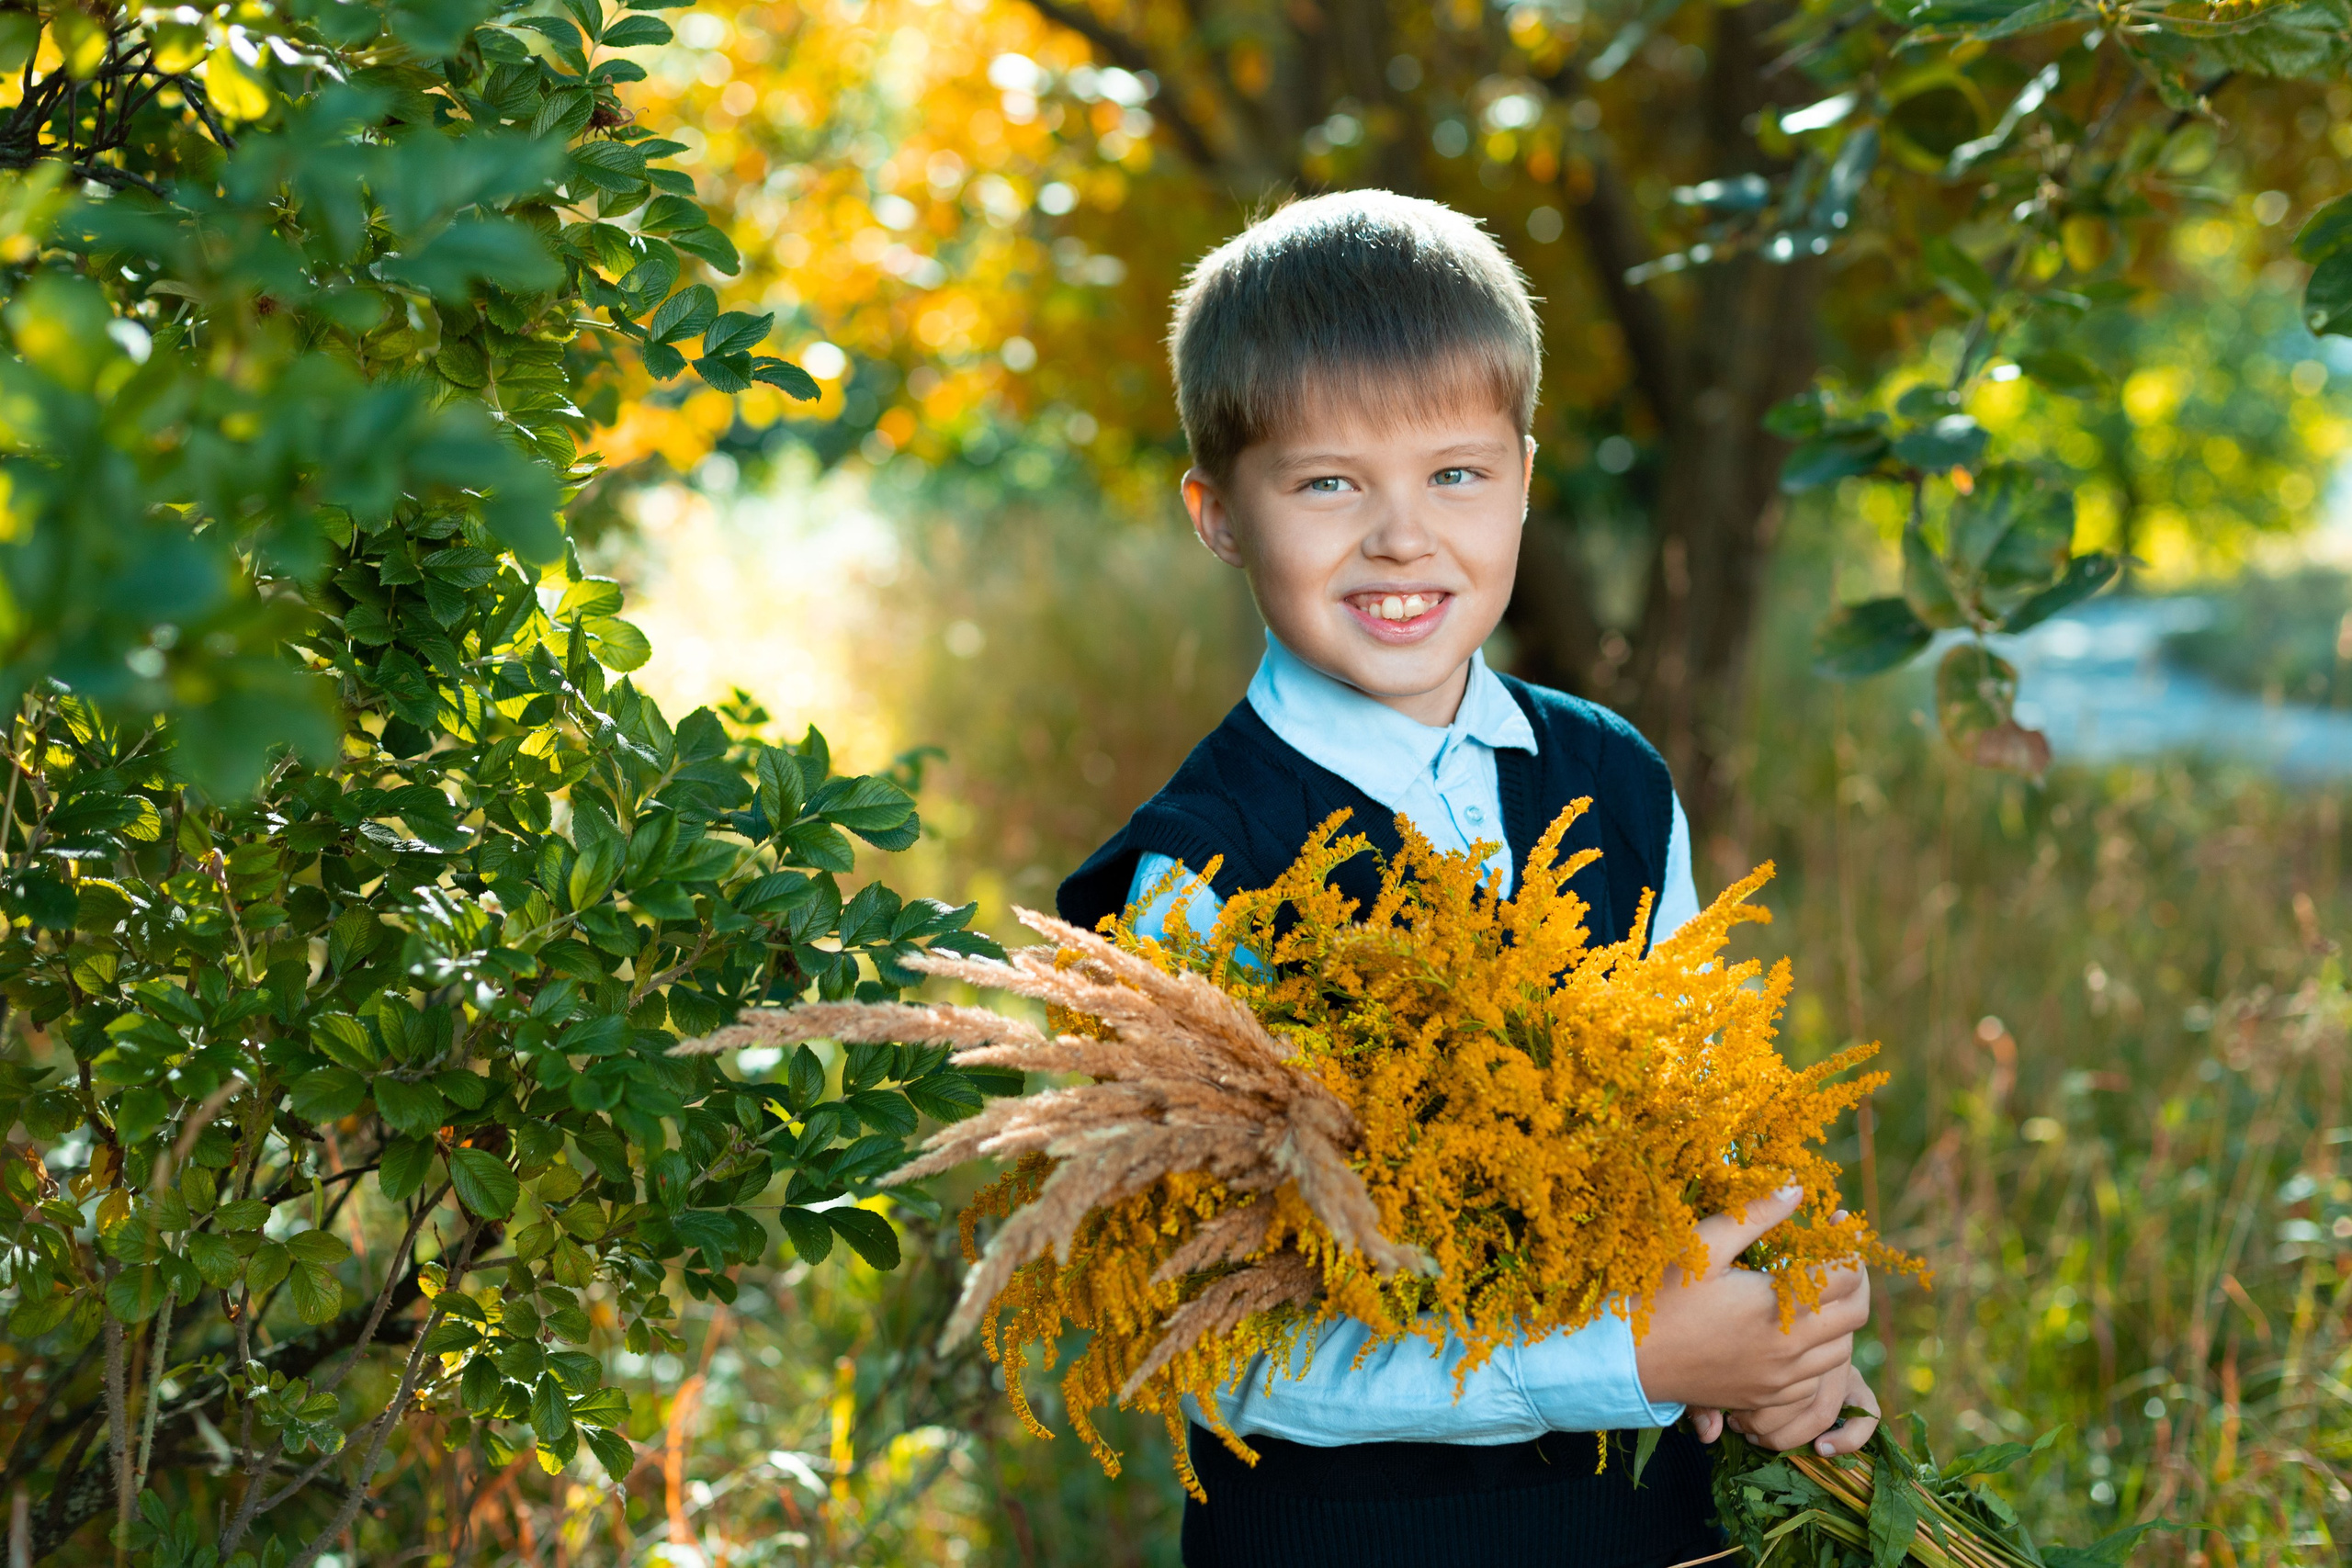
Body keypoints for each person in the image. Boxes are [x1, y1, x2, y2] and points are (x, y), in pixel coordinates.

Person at [1055, 190, 1881, 1568]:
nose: (1401, 538)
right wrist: (1627, 1360)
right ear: (1218, 513)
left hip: (1653, 1526)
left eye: (1456, 473)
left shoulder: (1616, 778)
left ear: (1524, 473)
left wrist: (1785, 1345)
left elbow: (1703, 1140)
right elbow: (1217, 1355)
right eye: (1328, 483)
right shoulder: (1200, 876)